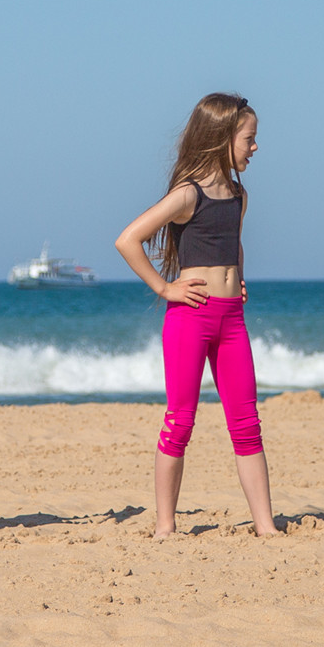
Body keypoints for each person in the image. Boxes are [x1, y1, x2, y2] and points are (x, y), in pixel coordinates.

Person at [114, 93, 276, 538]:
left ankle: (266, 526)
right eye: (250, 138)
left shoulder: (239, 195)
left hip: (231, 320)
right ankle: (166, 525)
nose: (255, 147)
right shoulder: (188, 194)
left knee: (246, 421)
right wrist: (165, 288)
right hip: (191, 317)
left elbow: (233, 241)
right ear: (223, 137)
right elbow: (128, 239)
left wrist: (238, 275)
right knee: (180, 420)